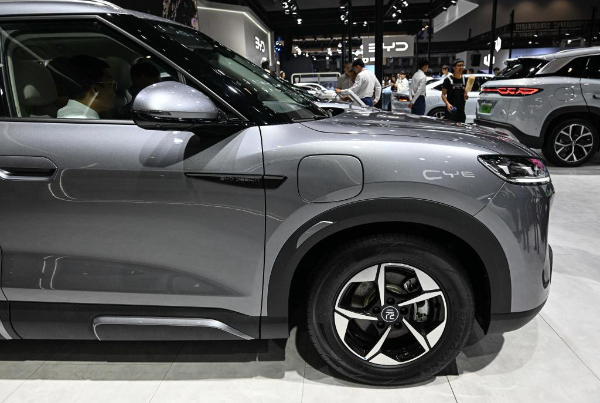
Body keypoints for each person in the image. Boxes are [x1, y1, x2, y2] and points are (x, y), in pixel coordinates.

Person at [57, 55, 116, 119]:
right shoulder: (81, 120)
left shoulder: (69, 113)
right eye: (111, 83)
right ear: (96, 90)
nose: (114, 92)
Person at [441, 59, 468, 123]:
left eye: (462, 65)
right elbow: (443, 94)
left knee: (461, 126)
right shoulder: (448, 80)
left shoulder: (464, 79)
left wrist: (466, 96)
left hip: (461, 109)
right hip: (451, 109)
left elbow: (465, 94)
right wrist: (448, 104)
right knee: (451, 126)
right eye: (459, 66)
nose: (461, 67)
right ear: (454, 68)